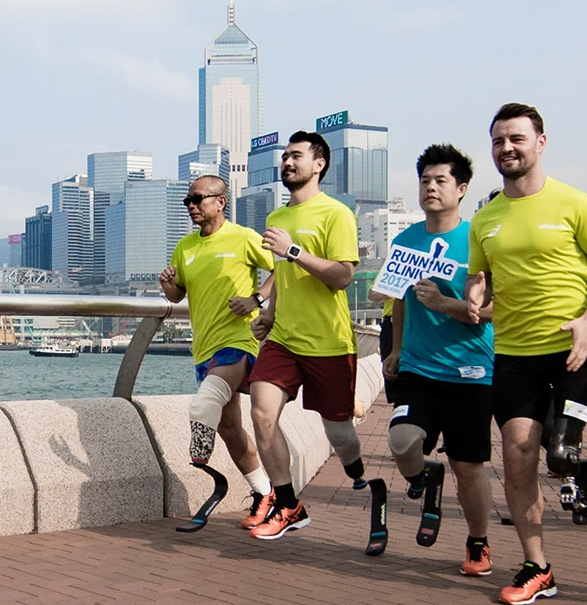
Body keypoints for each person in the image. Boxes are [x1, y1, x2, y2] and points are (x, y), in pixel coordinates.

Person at [464, 103, 587, 605]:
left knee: (559, 456)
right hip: (514, 355)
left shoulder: (575, 204)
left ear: (541, 142)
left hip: (574, 350)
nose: (506, 148)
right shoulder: (486, 219)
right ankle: (538, 566)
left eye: (516, 138)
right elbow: (479, 275)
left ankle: (582, 467)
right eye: (498, 141)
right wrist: (473, 293)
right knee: (518, 459)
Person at [382, 144, 496, 575]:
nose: (430, 187)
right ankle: (423, 477)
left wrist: (448, 305)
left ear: (462, 189)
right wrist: (395, 348)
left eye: (440, 180)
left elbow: (497, 309)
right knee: (402, 441)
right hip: (417, 367)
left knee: (468, 467)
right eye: (425, 180)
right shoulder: (405, 240)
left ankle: (478, 541)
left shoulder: (478, 240)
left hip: (470, 371)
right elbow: (399, 299)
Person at [245, 131, 363, 541]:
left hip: (329, 342)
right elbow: (281, 276)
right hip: (284, 339)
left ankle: (358, 471)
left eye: (296, 156)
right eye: (285, 157)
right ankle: (288, 503)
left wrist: (294, 250)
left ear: (319, 164)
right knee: (261, 413)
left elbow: (344, 276)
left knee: (340, 434)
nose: (287, 163)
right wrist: (269, 312)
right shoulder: (276, 219)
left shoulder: (337, 214)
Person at [159, 174, 276, 529]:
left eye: (198, 199)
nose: (191, 206)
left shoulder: (242, 237)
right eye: (188, 202)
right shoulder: (186, 247)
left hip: (239, 340)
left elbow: (281, 268)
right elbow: (177, 296)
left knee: (206, 402)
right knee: (230, 428)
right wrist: (167, 286)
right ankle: (264, 493)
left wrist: (256, 298)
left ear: (221, 201)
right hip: (203, 348)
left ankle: (199, 446)